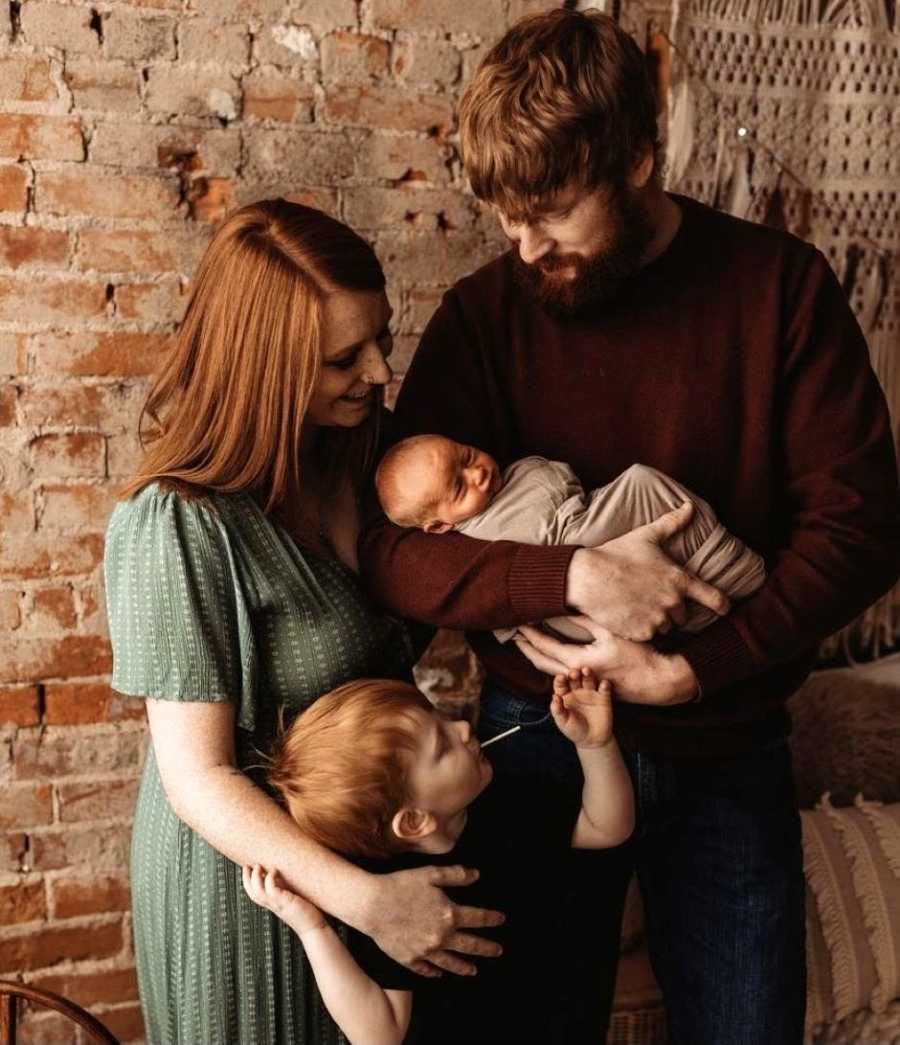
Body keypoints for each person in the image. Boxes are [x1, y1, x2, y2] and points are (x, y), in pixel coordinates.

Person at [359, 10, 900, 1044]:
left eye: (552, 212)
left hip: (727, 747)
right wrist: (572, 578)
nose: (523, 247)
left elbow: (862, 529)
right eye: (504, 216)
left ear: (642, 161)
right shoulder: (487, 313)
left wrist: (699, 668)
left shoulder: (780, 289)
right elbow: (395, 552)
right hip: (527, 748)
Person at [103, 199, 504, 1044]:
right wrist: (366, 902)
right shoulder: (176, 524)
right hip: (258, 891)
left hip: (382, 863)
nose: (380, 373)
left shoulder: (374, 460)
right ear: (265, 366)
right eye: (342, 358)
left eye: (382, 340)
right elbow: (198, 780)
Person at [242, 669, 633, 1044]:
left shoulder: (509, 803)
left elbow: (606, 828)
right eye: (443, 747)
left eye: (440, 718)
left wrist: (595, 744)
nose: (463, 728)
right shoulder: (396, 895)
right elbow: (378, 1035)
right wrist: (314, 930)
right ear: (413, 822)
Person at [375, 434, 765, 640]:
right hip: (569, 584)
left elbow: (570, 487)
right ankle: (723, 573)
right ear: (440, 526)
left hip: (589, 527)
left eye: (467, 456)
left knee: (652, 495)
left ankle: (717, 567)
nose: (476, 473)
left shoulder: (517, 473)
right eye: (459, 488)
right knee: (641, 485)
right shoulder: (471, 544)